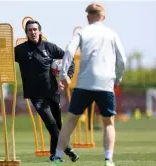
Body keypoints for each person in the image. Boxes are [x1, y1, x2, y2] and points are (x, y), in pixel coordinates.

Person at [52, 3, 127, 166]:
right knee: (108, 123)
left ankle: (57, 158)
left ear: (87, 17)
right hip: (105, 84)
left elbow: (69, 50)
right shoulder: (112, 34)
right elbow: (122, 60)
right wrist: (117, 78)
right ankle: (108, 160)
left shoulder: (82, 32)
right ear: (104, 17)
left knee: (71, 121)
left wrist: (64, 75)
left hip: (84, 84)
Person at [15, 20, 79, 162]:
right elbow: (4, 59)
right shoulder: (20, 50)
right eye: (30, 30)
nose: (33, 32)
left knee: (57, 124)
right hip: (35, 95)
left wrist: (66, 77)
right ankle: (68, 149)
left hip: (53, 92)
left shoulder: (49, 47)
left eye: (35, 29)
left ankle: (53, 154)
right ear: (26, 33)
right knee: (51, 123)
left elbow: (69, 59)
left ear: (40, 32)